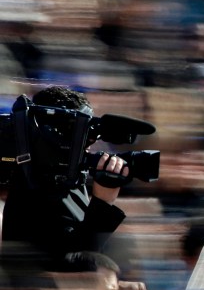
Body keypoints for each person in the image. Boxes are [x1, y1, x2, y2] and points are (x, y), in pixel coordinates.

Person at [1, 86, 131, 269]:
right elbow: (72, 273)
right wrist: (103, 201)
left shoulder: (66, 179)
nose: (87, 147)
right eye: (81, 137)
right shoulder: (35, 186)